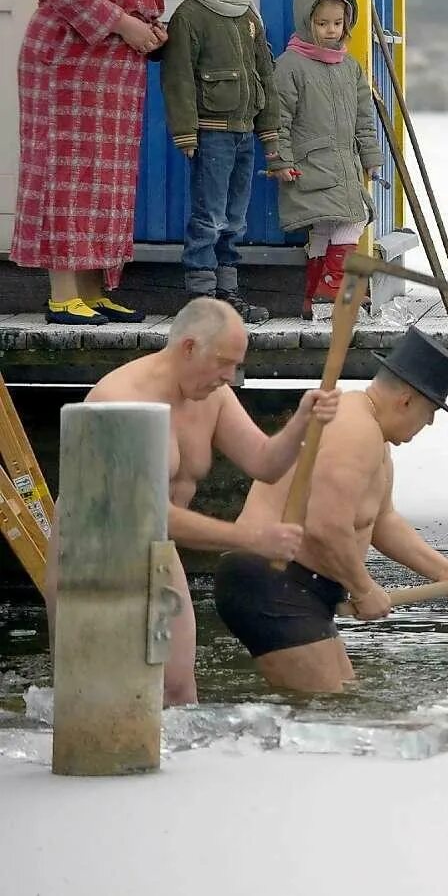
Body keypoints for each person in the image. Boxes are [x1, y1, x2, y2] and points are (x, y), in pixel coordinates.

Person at [44, 298, 340, 705]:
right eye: (223, 364)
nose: (229, 377)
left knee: (178, 688)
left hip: (158, 551)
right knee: (100, 696)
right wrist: (250, 538)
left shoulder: (210, 396)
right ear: (188, 347)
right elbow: (145, 514)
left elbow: (264, 462)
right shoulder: (120, 399)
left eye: (235, 366)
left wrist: (303, 419)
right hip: (93, 556)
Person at [215, 328, 448, 694]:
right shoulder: (353, 429)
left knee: (343, 701)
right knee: (329, 715)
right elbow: (326, 526)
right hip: (271, 580)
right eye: (431, 411)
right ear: (406, 400)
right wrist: (363, 589)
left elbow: (382, 522)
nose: (430, 423)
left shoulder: (373, 436)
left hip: (301, 587)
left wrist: (443, 570)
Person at [13, 0, 165, 326]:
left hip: (115, 68)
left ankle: (91, 292)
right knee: (66, 170)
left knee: (106, 180)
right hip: (67, 55)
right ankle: (64, 296)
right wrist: (124, 23)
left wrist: (149, 27)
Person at [160, 0, 280, 322]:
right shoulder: (189, 15)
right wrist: (185, 131)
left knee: (235, 218)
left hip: (245, 130)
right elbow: (178, 76)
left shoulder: (247, 13)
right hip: (211, 132)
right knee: (209, 217)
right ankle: (201, 298)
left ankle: (227, 294)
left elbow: (265, 73)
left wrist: (269, 131)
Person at [267, 0, 383, 321]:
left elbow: (364, 119)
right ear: (307, 23)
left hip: (344, 163)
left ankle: (314, 294)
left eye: (337, 22)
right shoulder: (290, 65)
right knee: (354, 218)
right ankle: (332, 287)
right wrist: (280, 160)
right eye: (322, 23)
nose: (331, 30)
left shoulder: (350, 67)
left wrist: (371, 158)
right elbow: (278, 119)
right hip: (309, 164)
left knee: (329, 227)